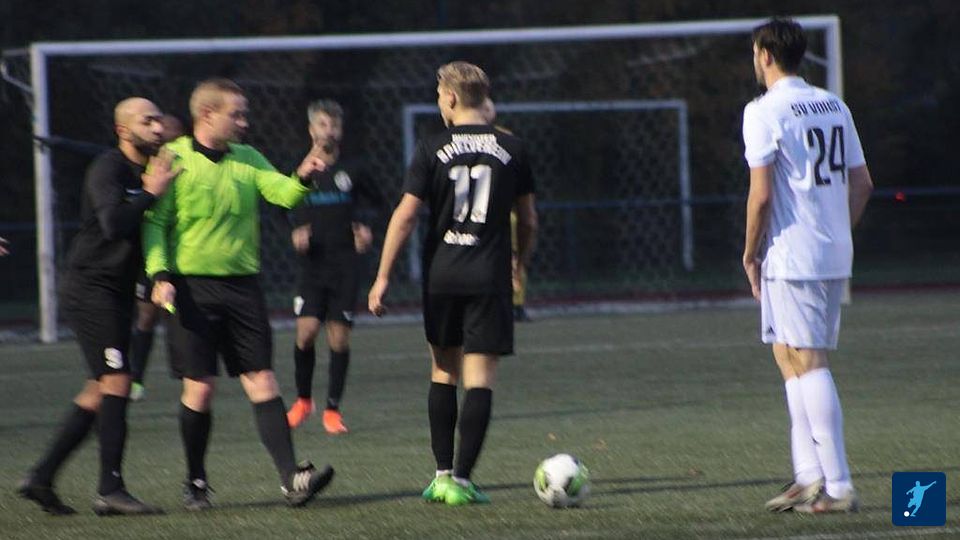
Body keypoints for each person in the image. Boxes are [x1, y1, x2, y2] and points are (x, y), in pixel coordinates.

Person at [144, 78, 334, 510]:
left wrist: (302, 176)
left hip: (243, 288)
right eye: (237, 114)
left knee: (263, 379)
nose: (245, 122)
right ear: (207, 114)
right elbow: (154, 224)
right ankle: (196, 482)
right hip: (190, 289)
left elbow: (282, 194)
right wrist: (159, 274)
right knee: (200, 388)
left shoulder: (247, 158)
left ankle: (291, 479)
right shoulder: (174, 158)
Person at [368, 61, 538, 506]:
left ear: (450, 98)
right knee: (480, 381)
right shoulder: (513, 148)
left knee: (443, 371)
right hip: (488, 276)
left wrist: (382, 276)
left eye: (438, 96)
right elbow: (529, 221)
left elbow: (405, 216)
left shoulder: (431, 147)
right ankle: (462, 481)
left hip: (442, 275)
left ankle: (441, 475)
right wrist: (520, 262)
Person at [17, 98, 177, 516]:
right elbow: (113, 225)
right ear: (123, 130)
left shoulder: (152, 168)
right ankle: (110, 490)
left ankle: (41, 476)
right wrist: (150, 193)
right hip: (91, 288)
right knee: (118, 380)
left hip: (117, 292)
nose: (157, 127)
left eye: (159, 120)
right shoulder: (109, 168)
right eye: (147, 121)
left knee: (99, 389)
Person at [741, 18, 873, 514]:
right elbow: (863, 184)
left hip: (792, 254)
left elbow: (761, 195)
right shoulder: (834, 104)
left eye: (756, 54)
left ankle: (838, 485)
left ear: (765, 56)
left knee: (808, 359)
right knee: (787, 355)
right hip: (824, 251)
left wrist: (749, 252)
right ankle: (808, 475)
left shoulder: (763, 110)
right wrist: (837, 231)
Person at [283, 99, 382, 433]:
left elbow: (378, 203)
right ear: (311, 129)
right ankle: (302, 402)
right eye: (323, 125)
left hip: (345, 264)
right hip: (312, 266)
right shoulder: (299, 169)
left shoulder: (355, 169)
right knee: (306, 332)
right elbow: (280, 205)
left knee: (338, 338)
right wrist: (295, 229)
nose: (330, 131)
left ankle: (332, 410)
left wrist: (365, 226)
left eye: (335, 125)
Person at [129, 113, 186, 402]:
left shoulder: (188, 162)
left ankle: (188, 375)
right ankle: (136, 378)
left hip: (185, 254)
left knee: (178, 315)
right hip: (154, 253)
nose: (162, 131)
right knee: (148, 314)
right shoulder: (148, 163)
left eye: (171, 129)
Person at [479, 98, 532, 323]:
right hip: (483, 211)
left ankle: (515, 304)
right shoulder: (504, 138)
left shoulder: (504, 138)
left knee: (510, 257)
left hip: (495, 210)